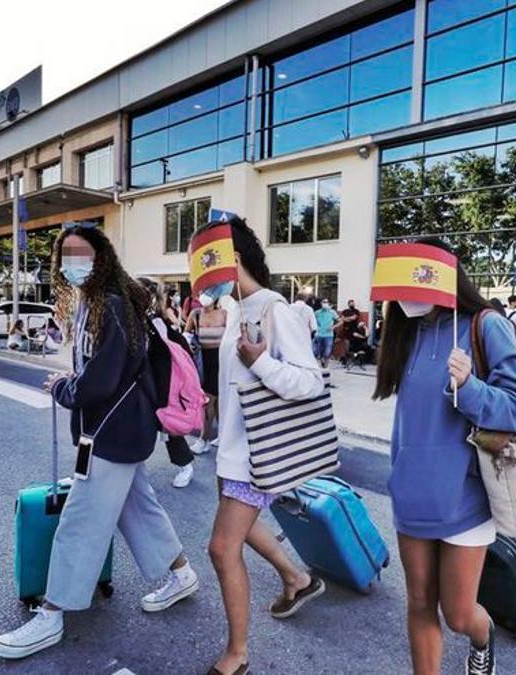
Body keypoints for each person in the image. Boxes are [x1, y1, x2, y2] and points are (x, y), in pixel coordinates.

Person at [0, 224, 200, 660]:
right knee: (138, 506)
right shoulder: (97, 303)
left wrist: (64, 388)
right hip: (119, 429)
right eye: (67, 254)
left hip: (112, 432)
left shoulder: (114, 305)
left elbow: (103, 378)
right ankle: (179, 573)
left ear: (102, 257)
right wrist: (72, 385)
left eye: (82, 253)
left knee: (80, 522)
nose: (74, 262)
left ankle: (52, 614)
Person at [372, 237, 516, 675]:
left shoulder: (486, 325)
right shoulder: (407, 333)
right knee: (420, 604)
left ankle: (483, 642)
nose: (403, 299)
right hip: (411, 495)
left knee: (459, 615)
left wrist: (470, 388)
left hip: (466, 498)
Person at [191, 217, 325, 675]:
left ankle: (238, 655)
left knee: (221, 548)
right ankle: (296, 578)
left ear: (232, 260)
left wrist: (263, 361)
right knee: (240, 532)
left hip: (258, 456)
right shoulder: (236, 310)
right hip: (233, 450)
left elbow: (309, 382)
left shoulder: (274, 309)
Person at [139, 277, 198, 489]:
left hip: (160, 387)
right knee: (140, 429)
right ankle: (134, 472)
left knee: (170, 429)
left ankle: (186, 465)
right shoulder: (134, 320)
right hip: (143, 387)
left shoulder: (156, 323)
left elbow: (181, 348)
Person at [184, 290, 228, 455]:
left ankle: (205, 439)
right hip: (203, 361)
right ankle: (207, 438)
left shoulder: (224, 314)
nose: (204, 296)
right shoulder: (195, 314)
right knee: (209, 401)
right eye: (202, 292)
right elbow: (186, 336)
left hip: (222, 361)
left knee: (215, 402)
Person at [313, 298, 339, 368]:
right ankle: (321, 360)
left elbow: (340, 321)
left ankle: (325, 368)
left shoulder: (332, 312)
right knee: (316, 352)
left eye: (326, 302)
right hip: (319, 334)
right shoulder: (317, 312)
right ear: (321, 303)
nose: (325, 303)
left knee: (327, 352)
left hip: (329, 335)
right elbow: (312, 320)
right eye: (324, 302)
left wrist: (333, 327)